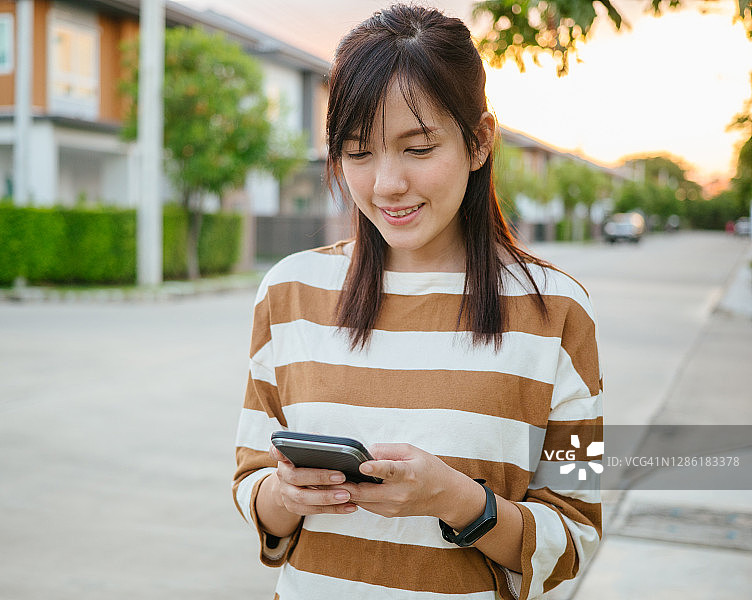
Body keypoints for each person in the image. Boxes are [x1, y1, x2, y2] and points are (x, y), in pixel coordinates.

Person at [232, 5, 603, 599]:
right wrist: (284, 494)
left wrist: (459, 502)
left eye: (419, 148)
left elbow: (578, 532)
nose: (386, 184)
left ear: (478, 142)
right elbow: (252, 485)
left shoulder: (558, 311)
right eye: (358, 152)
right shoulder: (289, 292)